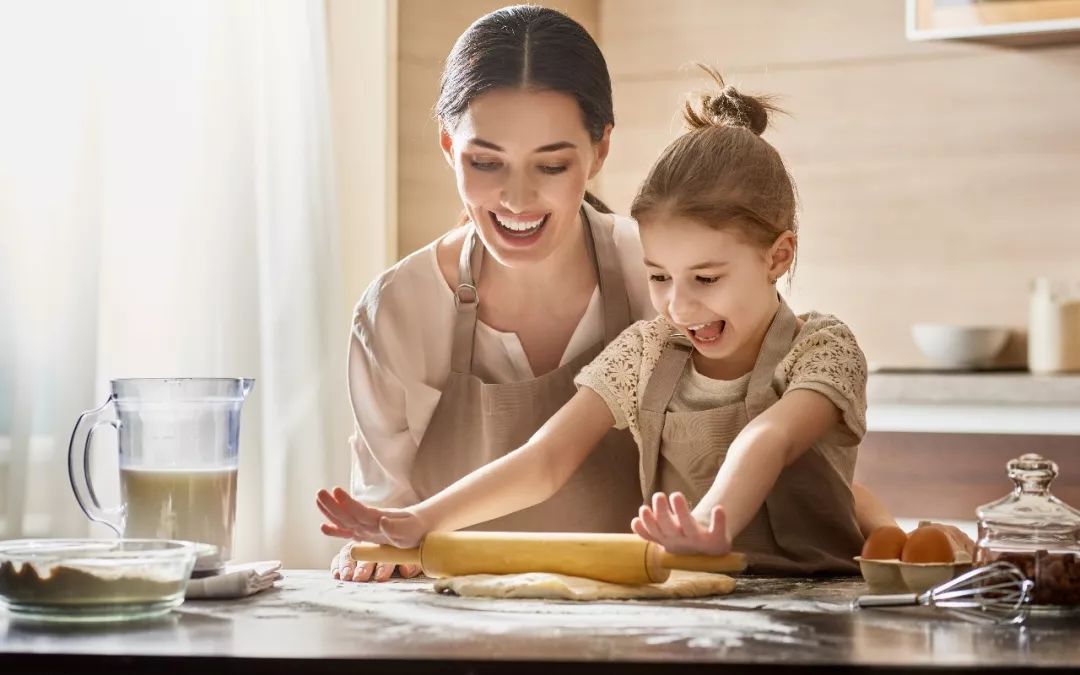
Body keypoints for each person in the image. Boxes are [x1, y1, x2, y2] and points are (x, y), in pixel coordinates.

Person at [321, 67, 919, 575]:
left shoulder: (823, 347)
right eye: (659, 276)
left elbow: (771, 436)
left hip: (820, 607)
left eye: (706, 279)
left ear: (778, 257)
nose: (679, 308)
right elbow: (545, 458)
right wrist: (416, 519)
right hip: (687, 607)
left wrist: (713, 523)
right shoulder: (648, 348)